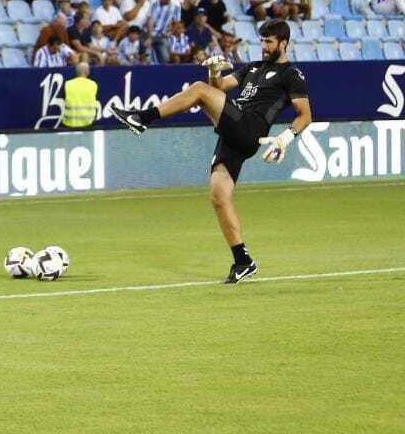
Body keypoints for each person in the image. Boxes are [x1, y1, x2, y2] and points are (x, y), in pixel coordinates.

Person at [111, 20, 312, 284]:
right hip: (232, 131)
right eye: (262, 40)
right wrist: (214, 73)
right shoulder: (252, 68)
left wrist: (284, 138)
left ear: (283, 43)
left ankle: (141, 118)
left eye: (269, 42)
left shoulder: (291, 75)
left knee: (197, 90)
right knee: (219, 197)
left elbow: (305, 115)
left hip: (250, 127)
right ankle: (243, 261)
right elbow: (218, 89)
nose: (263, 46)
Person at [61, 60, 99, 128]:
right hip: (88, 123)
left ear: (76, 72)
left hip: (69, 123)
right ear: (87, 72)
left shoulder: (67, 84)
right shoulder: (93, 85)